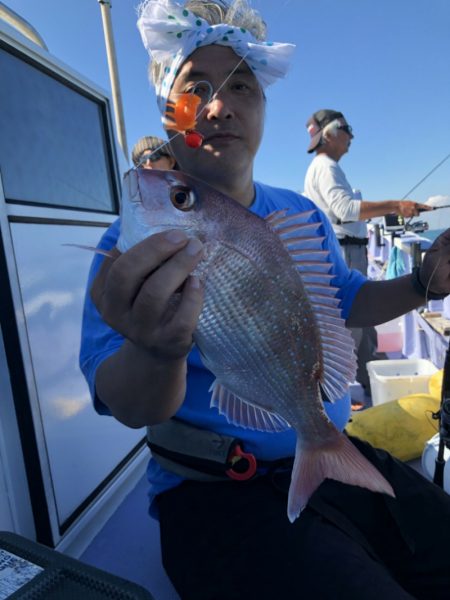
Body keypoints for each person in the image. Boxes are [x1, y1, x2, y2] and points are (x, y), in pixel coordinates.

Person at [79, 1, 450, 598]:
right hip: (213, 490)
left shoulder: (300, 213)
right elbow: (125, 402)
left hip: (330, 450)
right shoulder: (126, 248)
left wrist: (423, 284)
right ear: (169, 111)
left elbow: (345, 301)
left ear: (264, 108)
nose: (220, 104)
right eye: (195, 86)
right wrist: (157, 351)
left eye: (241, 85)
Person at [303, 109, 431, 393]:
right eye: (347, 129)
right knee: (352, 325)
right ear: (330, 134)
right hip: (345, 253)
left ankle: (365, 381)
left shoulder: (323, 167)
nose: (352, 136)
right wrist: (397, 205)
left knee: (362, 327)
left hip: (346, 251)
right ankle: (347, 392)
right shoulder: (326, 166)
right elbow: (346, 210)